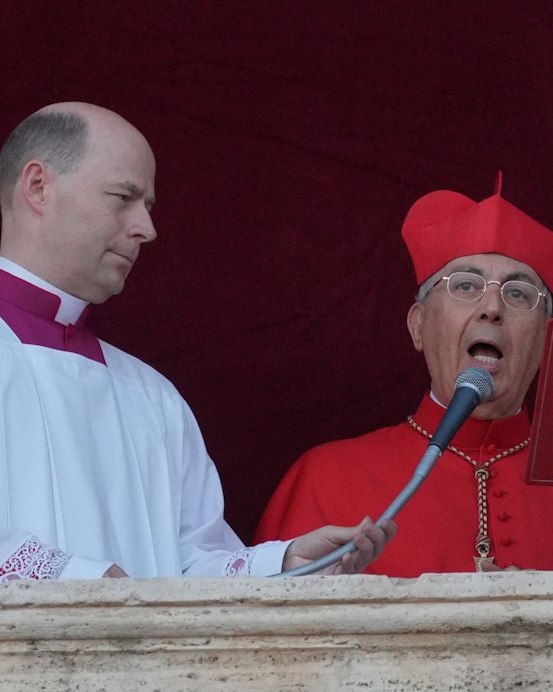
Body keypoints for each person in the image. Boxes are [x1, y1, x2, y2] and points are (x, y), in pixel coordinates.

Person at [0, 102, 393, 580]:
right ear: (38, 187)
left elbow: (189, 568)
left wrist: (283, 565)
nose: (146, 228)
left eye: (147, 205)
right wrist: (82, 582)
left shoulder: (151, 395)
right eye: (123, 197)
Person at [254, 175, 553, 574]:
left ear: (546, 341)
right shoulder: (326, 478)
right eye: (465, 286)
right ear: (418, 325)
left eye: (518, 293)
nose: (492, 308)